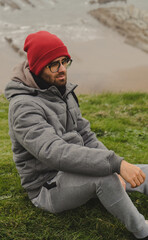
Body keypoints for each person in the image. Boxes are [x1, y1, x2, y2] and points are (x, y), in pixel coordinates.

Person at [5, 31, 148, 239]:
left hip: (77, 170)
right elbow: (55, 153)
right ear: (37, 67)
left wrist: (117, 165)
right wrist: (113, 164)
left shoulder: (60, 89)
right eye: (54, 64)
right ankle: (142, 230)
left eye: (65, 61)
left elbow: (86, 135)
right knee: (107, 177)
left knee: (139, 170)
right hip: (47, 187)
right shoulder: (24, 108)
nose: (62, 69)